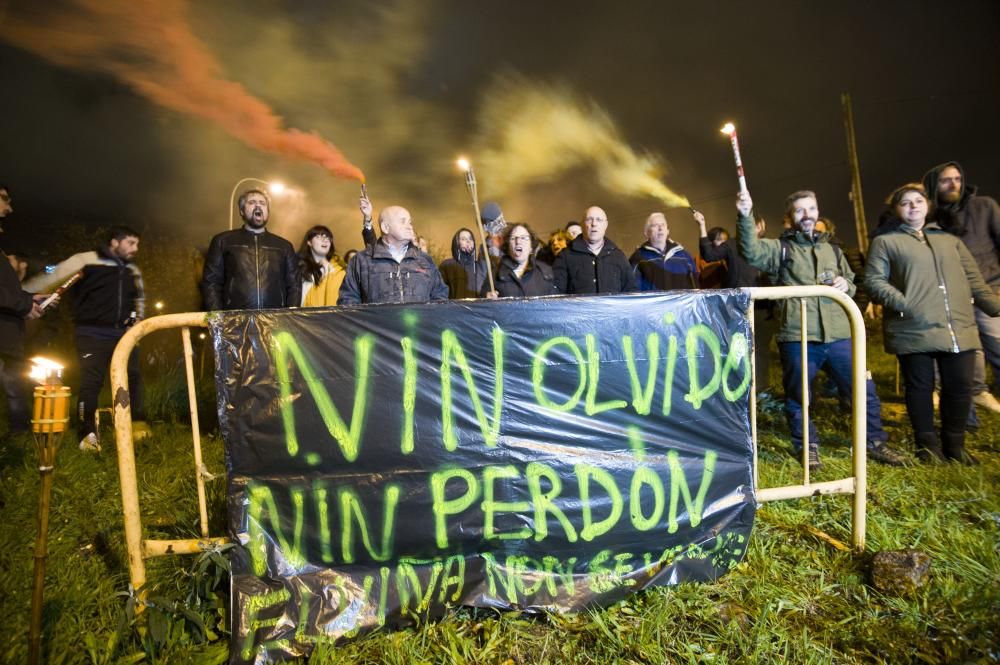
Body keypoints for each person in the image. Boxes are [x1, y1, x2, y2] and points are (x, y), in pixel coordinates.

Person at [736, 188, 905, 469]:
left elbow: (851, 280)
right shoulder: (781, 249)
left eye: (811, 209)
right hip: (798, 336)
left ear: (817, 211)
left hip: (840, 335)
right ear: (790, 217)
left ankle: (874, 442)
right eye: (800, 210)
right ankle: (807, 446)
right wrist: (744, 215)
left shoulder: (833, 248)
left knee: (864, 390)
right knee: (801, 396)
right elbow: (750, 250)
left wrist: (845, 285)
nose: (807, 215)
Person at [866, 184, 1000, 465]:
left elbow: (974, 279)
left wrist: (994, 307)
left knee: (960, 387)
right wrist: (907, 304)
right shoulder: (886, 242)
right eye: (905, 202)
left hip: (957, 326)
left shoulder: (949, 241)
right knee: (921, 388)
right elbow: (874, 281)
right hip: (913, 328)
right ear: (896, 210)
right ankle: (927, 447)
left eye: (918, 201)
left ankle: (955, 445)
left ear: (927, 205)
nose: (913, 206)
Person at [24, 226, 147, 450]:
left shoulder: (132, 269)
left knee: (133, 378)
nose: (135, 248)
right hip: (91, 333)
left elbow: (139, 299)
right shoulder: (85, 259)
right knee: (92, 383)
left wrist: (138, 323)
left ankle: (136, 425)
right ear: (114, 242)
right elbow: (51, 277)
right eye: (131, 243)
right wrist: (20, 296)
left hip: (123, 335)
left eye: (137, 244)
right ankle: (86, 434)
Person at [922, 161, 1000, 414]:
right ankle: (976, 392)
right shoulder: (928, 215)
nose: (954, 184)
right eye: (946, 180)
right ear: (934, 185)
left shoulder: (984, 207)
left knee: (997, 343)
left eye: (957, 178)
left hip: (989, 285)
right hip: (950, 294)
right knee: (967, 348)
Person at [202, 188, 300, 310]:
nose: (258, 205)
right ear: (242, 211)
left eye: (262, 203)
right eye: (252, 202)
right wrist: (218, 318)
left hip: (275, 320)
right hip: (235, 319)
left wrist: (290, 317)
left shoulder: (284, 246)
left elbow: (294, 285)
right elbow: (211, 282)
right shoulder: (223, 241)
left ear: (267, 212)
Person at [0, 185, 46, 434]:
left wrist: (29, 298)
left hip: (7, 337)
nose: (9, 208)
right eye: (4, 199)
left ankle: (20, 439)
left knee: (15, 388)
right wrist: (24, 304)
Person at [338, 205, 449, 305]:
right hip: (376, 328)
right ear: (385, 227)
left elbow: (440, 295)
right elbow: (348, 301)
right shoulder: (362, 261)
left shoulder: (424, 260)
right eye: (402, 221)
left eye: (410, 222)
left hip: (419, 327)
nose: (409, 227)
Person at [552, 206, 636, 295]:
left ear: (606, 225)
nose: (594, 224)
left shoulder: (618, 256)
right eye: (589, 219)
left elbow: (631, 292)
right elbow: (556, 294)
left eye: (599, 220)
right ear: (582, 225)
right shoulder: (565, 256)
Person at [483, 223, 560, 298]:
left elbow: (554, 306)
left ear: (531, 247)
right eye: (513, 238)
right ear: (508, 247)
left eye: (524, 238)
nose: (518, 242)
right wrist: (487, 302)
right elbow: (481, 306)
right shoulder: (494, 275)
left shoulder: (545, 272)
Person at [630, 212, 698, 290]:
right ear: (647, 233)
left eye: (663, 225)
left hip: (681, 302)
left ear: (668, 231)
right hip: (654, 302)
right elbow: (633, 290)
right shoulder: (638, 258)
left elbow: (695, 287)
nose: (660, 228)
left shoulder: (684, 256)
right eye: (655, 225)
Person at [299, 225, 346, 307]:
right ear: (309, 242)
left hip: (332, 317)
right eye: (318, 237)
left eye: (328, 238)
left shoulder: (339, 270)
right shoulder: (298, 269)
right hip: (304, 317)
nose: (325, 240)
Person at [439, 228, 490, 299]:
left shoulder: (479, 267)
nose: (468, 241)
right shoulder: (447, 265)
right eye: (463, 239)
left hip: (477, 308)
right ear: (457, 242)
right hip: (456, 309)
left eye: (470, 239)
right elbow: (440, 292)